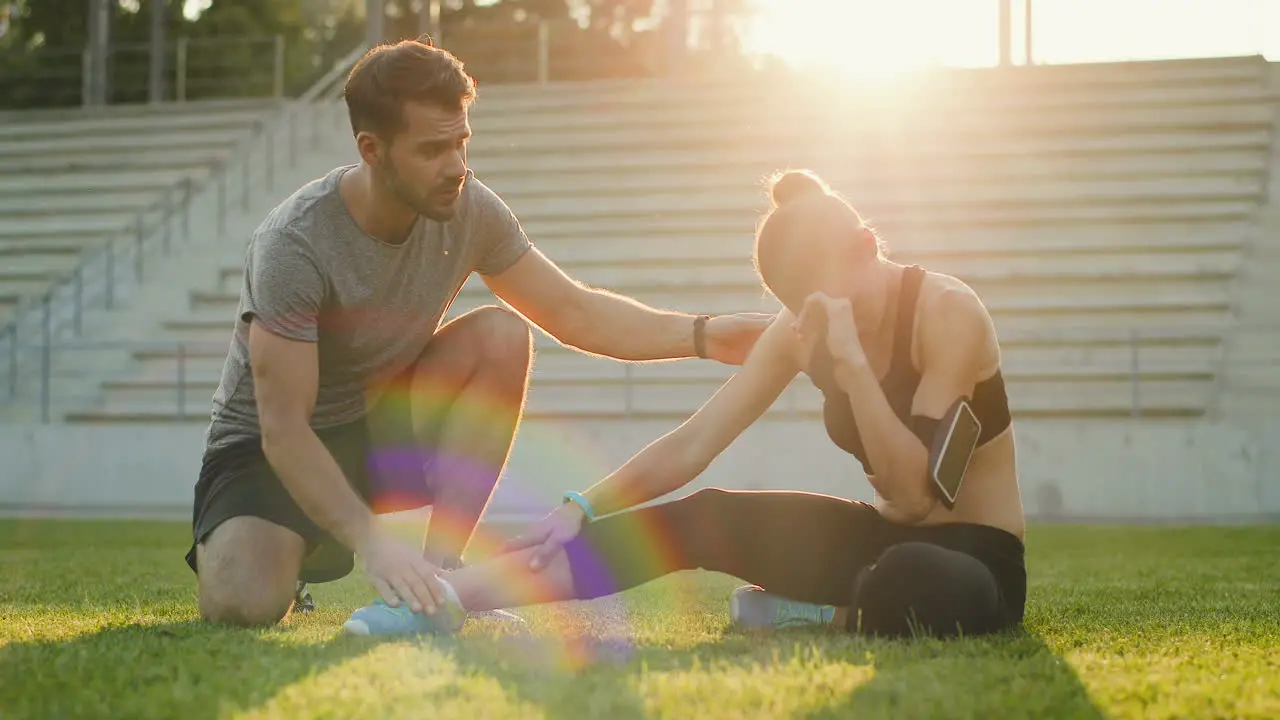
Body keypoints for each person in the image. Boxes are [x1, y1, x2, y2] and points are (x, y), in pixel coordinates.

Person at [186, 37, 773, 628]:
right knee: (243, 604)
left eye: (462, 141)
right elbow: (284, 429)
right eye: (434, 149)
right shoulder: (295, 242)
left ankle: (445, 579)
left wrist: (706, 335)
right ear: (373, 149)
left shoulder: (470, 207)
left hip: (382, 431)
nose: (457, 165)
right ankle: (301, 554)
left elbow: (575, 312)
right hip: (270, 449)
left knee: (501, 335)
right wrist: (370, 540)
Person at [343, 168, 1028, 640]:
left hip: (973, 559)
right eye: (805, 310)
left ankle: (825, 616)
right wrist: (580, 508)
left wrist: (851, 363)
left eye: (837, 302)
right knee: (703, 516)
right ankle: (445, 600)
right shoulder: (806, 328)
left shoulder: (946, 313)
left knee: (915, 577)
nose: (823, 322)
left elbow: (918, 500)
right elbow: (695, 444)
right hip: (876, 543)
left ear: (867, 247)